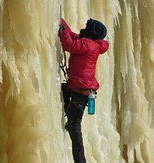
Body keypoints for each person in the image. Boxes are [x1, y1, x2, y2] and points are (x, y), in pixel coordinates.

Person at [58, 18, 109, 163]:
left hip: (80, 91)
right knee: (61, 91)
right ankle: (69, 114)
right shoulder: (91, 44)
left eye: (87, 26)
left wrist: (62, 31)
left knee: (75, 127)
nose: (84, 28)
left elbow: (69, 44)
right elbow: (74, 36)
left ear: (91, 31)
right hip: (80, 90)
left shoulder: (87, 45)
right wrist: (62, 23)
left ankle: (80, 161)